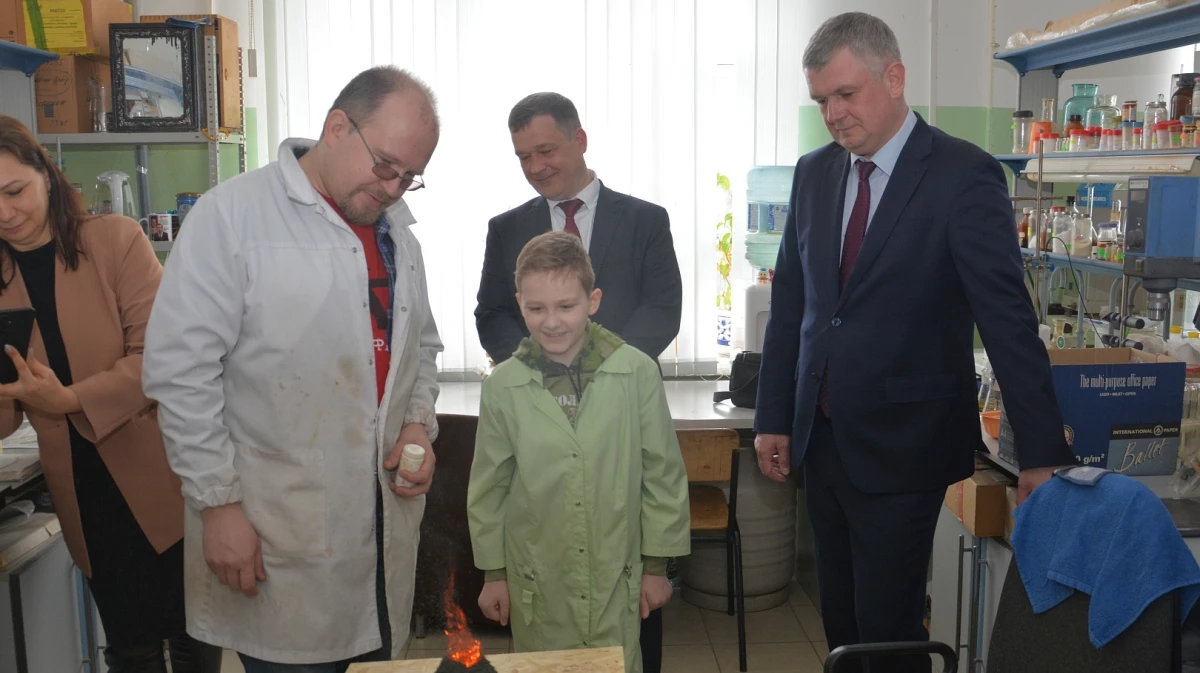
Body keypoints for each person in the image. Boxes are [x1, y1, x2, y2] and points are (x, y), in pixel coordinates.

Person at [751, 13, 1074, 673]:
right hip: (823, 439)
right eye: (821, 100)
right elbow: (793, 309)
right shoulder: (814, 174)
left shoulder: (963, 175)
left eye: (846, 94)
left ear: (894, 78)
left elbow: (1006, 320)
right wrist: (773, 416)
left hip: (905, 442)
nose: (833, 114)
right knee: (840, 620)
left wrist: (1042, 452)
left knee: (888, 629)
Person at [142, 66, 443, 673]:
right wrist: (217, 506)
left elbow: (423, 348)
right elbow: (181, 374)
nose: (393, 188)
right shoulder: (233, 218)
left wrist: (416, 423)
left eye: (410, 176)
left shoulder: (396, 235)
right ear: (337, 128)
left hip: (380, 533)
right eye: (386, 165)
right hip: (275, 531)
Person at [0, 115, 221, 673]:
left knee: (193, 630)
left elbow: (159, 359)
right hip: (81, 491)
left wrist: (70, 401)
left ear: (45, 172)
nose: (4, 213)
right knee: (130, 643)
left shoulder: (114, 241)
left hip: (157, 472)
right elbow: (5, 417)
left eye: (14, 191)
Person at [468, 231, 690, 673]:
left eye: (566, 306)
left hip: (617, 576)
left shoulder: (637, 373)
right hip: (538, 579)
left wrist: (655, 567)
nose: (552, 322)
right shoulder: (503, 386)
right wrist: (494, 575)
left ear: (593, 301)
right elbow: (489, 489)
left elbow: (662, 474)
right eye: (536, 309)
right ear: (520, 305)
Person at [475, 92, 683, 366]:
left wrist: (605, 370)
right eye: (524, 157)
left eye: (546, 151)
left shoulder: (645, 221)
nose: (536, 167)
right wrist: (539, 370)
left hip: (627, 382)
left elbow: (662, 310)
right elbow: (492, 315)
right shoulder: (505, 230)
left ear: (580, 140)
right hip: (536, 385)